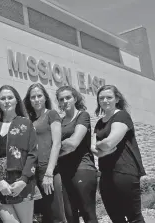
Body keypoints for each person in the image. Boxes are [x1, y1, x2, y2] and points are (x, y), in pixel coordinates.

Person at [92, 85, 146, 223]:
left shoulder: (122, 115)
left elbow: (109, 143)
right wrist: (102, 149)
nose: (105, 100)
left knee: (134, 217)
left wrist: (102, 146)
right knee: (116, 218)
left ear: (117, 99)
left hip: (124, 171)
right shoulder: (99, 123)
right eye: (101, 98)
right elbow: (93, 149)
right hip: (106, 174)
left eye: (109, 97)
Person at [0, 85, 40, 223]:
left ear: (17, 100)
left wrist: (23, 180)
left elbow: (33, 154)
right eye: (3, 98)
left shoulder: (26, 123)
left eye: (10, 98)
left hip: (21, 182)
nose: (6, 101)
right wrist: (0, 180)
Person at [23, 83, 67, 223]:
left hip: (49, 171)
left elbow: (57, 143)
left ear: (45, 97)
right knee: (42, 217)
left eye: (39, 96)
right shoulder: (29, 120)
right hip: (33, 173)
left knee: (57, 215)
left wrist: (49, 173)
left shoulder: (51, 114)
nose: (36, 99)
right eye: (33, 97)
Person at [56, 86, 98, 223]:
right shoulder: (60, 122)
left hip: (82, 169)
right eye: (61, 99)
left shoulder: (82, 115)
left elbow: (73, 143)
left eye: (68, 97)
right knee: (70, 216)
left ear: (75, 98)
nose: (65, 101)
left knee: (88, 214)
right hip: (63, 172)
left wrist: (55, 151)